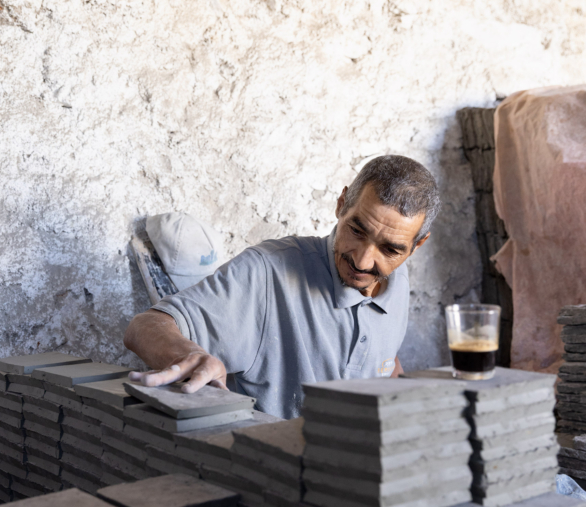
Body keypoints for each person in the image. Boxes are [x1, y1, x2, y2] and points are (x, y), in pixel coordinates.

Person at [123, 155, 440, 419]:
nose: (363, 260)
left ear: (417, 245)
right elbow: (144, 326)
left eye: (390, 249)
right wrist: (190, 355)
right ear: (342, 204)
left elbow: (382, 359)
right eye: (357, 230)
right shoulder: (268, 271)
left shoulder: (397, 282)